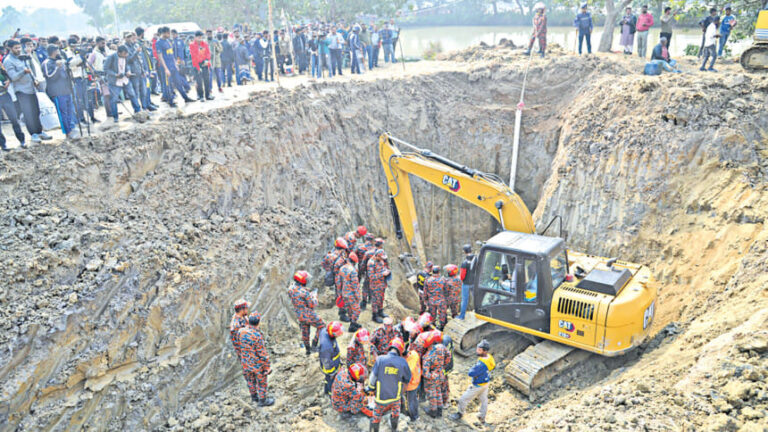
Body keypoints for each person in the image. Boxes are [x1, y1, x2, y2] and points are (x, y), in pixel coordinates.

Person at [3, 40, 51, 144]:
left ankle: (39, 131)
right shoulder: (8, 61)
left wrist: (34, 79)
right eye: (16, 48)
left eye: (19, 47)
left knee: (36, 111)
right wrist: (23, 71)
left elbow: (30, 70)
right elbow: (13, 77)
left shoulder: (23, 57)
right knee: (28, 113)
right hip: (21, 90)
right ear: (10, 49)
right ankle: (33, 134)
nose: (18, 50)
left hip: (31, 88)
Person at [365, 338, 411, 432]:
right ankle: (394, 429)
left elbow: (372, 377)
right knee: (395, 413)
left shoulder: (380, 359)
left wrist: (371, 388)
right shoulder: (403, 362)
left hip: (380, 397)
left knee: (376, 415)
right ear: (401, 350)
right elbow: (407, 379)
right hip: (395, 396)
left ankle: (375, 430)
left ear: (390, 347)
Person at [450, 339, 495, 424]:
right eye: (477, 348)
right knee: (484, 400)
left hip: (477, 385)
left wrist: (474, 369)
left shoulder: (481, 364)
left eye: (479, 350)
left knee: (463, 399)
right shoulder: (489, 357)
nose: (477, 350)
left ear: (485, 351)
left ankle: (460, 413)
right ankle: (482, 416)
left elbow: (471, 373)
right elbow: (493, 366)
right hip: (486, 383)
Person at [238, 314, 275, 406]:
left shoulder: (241, 331)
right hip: (256, 364)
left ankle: (254, 397)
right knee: (261, 381)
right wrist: (267, 367)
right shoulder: (257, 335)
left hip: (245, 363)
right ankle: (262, 401)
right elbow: (262, 354)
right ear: (258, 322)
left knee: (250, 380)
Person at [42, 45, 78, 139]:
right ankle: (67, 132)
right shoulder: (47, 63)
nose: (59, 52)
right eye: (58, 50)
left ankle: (71, 127)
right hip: (57, 92)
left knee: (70, 111)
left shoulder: (61, 61)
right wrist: (57, 68)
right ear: (54, 52)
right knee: (63, 113)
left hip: (67, 90)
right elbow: (50, 77)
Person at [288, 271, 325, 355]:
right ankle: (314, 345)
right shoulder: (305, 293)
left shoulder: (290, 289)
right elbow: (313, 304)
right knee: (322, 326)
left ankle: (308, 350)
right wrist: (314, 295)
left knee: (305, 331)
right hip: (307, 313)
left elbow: (297, 293)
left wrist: (307, 292)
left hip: (298, 314)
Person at [155, 27, 194, 107]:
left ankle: (185, 98)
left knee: (178, 82)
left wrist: (175, 64)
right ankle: (170, 101)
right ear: (164, 33)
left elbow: (171, 53)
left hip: (173, 66)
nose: (169, 35)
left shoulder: (168, 41)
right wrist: (166, 69)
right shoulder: (159, 43)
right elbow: (160, 56)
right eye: (168, 33)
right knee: (168, 84)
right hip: (166, 67)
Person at [104, 45, 142, 123]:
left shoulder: (126, 56)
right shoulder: (111, 57)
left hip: (125, 79)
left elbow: (127, 64)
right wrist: (115, 74)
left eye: (126, 54)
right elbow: (106, 69)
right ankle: (115, 117)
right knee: (114, 99)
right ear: (119, 53)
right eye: (124, 54)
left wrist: (128, 71)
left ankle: (138, 111)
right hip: (115, 82)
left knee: (132, 95)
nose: (126, 55)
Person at [421, 331, 451, 418]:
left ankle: (433, 411)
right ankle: (439, 411)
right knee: (438, 392)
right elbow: (448, 355)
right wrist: (443, 366)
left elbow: (425, 373)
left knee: (432, 394)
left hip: (432, 379)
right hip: (441, 374)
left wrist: (431, 375)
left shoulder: (426, 357)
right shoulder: (441, 347)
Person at [0, 63, 26, 150]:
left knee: (14, 118)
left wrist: (8, 81)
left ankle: (22, 140)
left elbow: (8, 75)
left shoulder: (0, 66)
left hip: (5, 95)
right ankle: (3, 145)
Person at [319, 321, 344, 395]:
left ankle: (326, 391)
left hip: (332, 361)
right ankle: (331, 395)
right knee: (331, 381)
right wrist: (332, 372)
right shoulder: (327, 346)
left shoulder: (324, 331)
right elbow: (326, 361)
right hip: (330, 367)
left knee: (327, 379)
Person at [340, 252, 362, 332]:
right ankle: (352, 325)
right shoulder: (353, 271)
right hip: (352, 294)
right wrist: (358, 296)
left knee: (349, 309)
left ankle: (353, 322)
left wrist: (340, 293)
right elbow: (355, 285)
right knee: (357, 310)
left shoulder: (342, 268)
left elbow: (339, 282)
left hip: (344, 293)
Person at [367, 247, 391, 324]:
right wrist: (382, 274)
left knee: (381, 299)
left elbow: (383, 268)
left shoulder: (381, 260)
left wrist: (386, 271)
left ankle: (380, 312)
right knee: (375, 301)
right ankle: (375, 316)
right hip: (375, 286)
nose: (382, 259)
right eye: (381, 258)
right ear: (377, 256)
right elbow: (371, 276)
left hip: (382, 284)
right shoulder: (371, 263)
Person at [190, 31, 214, 101]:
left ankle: (208, 95)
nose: (200, 39)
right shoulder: (192, 45)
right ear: (195, 37)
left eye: (201, 37)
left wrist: (207, 60)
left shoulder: (205, 44)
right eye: (198, 37)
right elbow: (194, 56)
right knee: (199, 81)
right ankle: (201, 96)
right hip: (197, 64)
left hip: (205, 64)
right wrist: (198, 67)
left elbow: (208, 53)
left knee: (207, 80)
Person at [402, 343, 422, 421]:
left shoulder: (409, 367)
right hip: (417, 380)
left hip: (411, 385)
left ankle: (414, 417)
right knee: (414, 399)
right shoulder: (414, 353)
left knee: (411, 402)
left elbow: (406, 380)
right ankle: (415, 414)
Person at [458, 245, 475, 319]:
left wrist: (461, 279)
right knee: (476, 298)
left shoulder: (464, 263)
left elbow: (462, 276)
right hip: (474, 282)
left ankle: (462, 316)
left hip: (466, 284)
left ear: (464, 252)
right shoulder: (476, 259)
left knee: (464, 300)